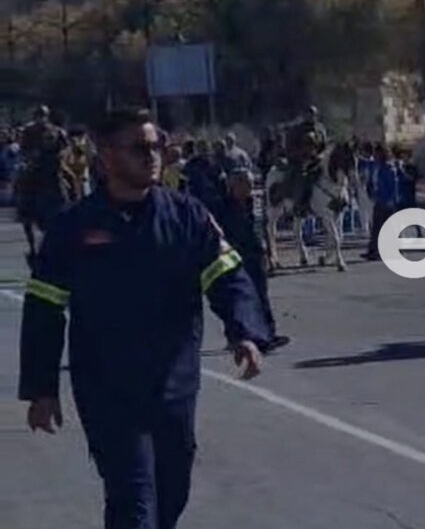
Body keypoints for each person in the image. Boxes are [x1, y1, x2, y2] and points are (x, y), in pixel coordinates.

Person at [18, 107, 269, 529]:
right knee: (133, 502)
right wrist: (41, 388)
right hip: (107, 389)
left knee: (171, 494)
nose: (152, 156)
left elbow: (227, 275)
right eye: (139, 148)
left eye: (157, 146)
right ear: (107, 155)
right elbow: (44, 308)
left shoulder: (186, 216)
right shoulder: (73, 228)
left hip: (174, 384)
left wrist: (244, 330)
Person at [218, 165, 289, 352]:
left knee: (262, 296)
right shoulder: (223, 208)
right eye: (245, 183)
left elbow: (264, 228)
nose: (250, 187)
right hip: (235, 258)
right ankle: (235, 336)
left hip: (256, 255)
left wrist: (271, 252)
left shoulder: (256, 204)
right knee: (236, 300)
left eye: (251, 183)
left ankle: (269, 334)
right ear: (234, 186)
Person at [364, 144, 399, 261]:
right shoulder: (376, 166)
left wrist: (391, 200)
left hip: (387, 201)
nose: (375, 155)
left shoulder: (389, 168)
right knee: (376, 227)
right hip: (379, 199)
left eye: (377, 153)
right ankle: (373, 250)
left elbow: (393, 186)